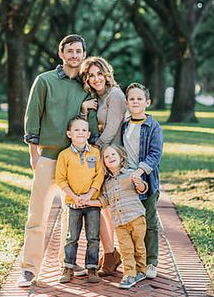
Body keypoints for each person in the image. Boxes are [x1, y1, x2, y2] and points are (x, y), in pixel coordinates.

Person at [17, 34, 99, 287]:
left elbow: (91, 127)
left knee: (71, 216)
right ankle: (30, 268)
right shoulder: (44, 81)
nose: (75, 55)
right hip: (49, 156)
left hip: (76, 161)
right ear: (61, 54)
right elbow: (33, 117)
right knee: (37, 214)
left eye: (79, 51)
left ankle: (68, 264)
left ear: (83, 54)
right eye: (70, 51)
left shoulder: (87, 87)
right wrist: (34, 154)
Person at [80, 56, 127, 276]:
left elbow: (111, 130)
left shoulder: (115, 95)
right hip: (100, 155)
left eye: (99, 73)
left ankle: (114, 254)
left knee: (107, 207)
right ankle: (110, 252)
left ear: (107, 74)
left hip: (111, 157)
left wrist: (93, 151)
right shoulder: (95, 97)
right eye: (91, 75)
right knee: (102, 207)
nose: (96, 78)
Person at [87, 144, 148, 289]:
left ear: (121, 157)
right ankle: (129, 274)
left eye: (113, 154)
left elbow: (143, 188)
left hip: (136, 218)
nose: (110, 157)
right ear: (104, 163)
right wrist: (89, 201)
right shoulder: (106, 183)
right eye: (106, 156)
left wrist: (139, 183)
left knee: (139, 247)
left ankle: (141, 270)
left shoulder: (130, 174)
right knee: (126, 249)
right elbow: (105, 201)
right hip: (119, 223)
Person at [122, 82, 163, 279]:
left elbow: (155, 154)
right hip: (126, 182)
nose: (135, 102)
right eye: (132, 99)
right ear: (127, 102)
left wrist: (139, 171)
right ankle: (135, 261)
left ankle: (151, 262)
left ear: (147, 102)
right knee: (131, 223)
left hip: (147, 181)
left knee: (149, 222)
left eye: (139, 98)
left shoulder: (153, 126)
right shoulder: (125, 125)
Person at [56, 116, 104, 284]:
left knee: (93, 237)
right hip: (73, 202)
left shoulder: (95, 153)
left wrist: (89, 195)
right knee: (72, 237)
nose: (80, 133)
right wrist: (75, 197)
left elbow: (100, 176)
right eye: (76, 130)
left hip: (91, 203)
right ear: (69, 133)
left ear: (89, 133)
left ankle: (92, 268)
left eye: (84, 130)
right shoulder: (64, 155)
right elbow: (60, 179)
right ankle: (68, 268)